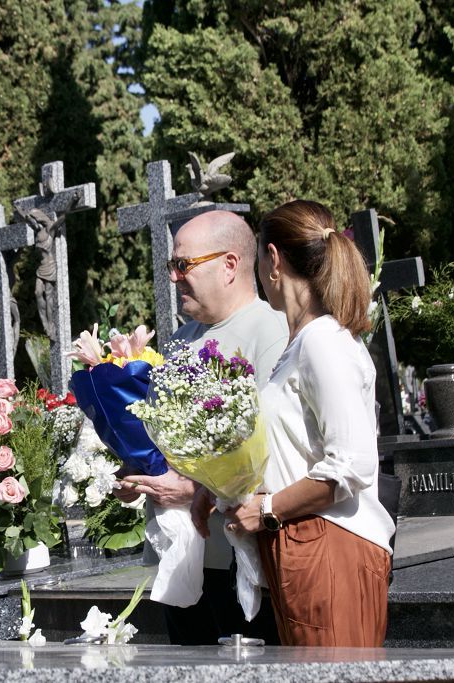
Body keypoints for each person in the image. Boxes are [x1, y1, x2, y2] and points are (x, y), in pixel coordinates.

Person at [226, 199, 394, 647]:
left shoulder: (324, 341)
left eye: (258, 256)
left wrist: (265, 509)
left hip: (330, 542)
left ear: (273, 259)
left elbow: (351, 464)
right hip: (301, 539)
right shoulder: (301, 343)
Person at [116, 210, 287, 645]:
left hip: (246, 561)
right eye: (172, 266)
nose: (174, 278)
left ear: (229, 265)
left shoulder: (272, 332)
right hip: (182, 558)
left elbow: (276, 456)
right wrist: (135, 472)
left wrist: (193, 491)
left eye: (183, 265)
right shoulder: (178, 341)